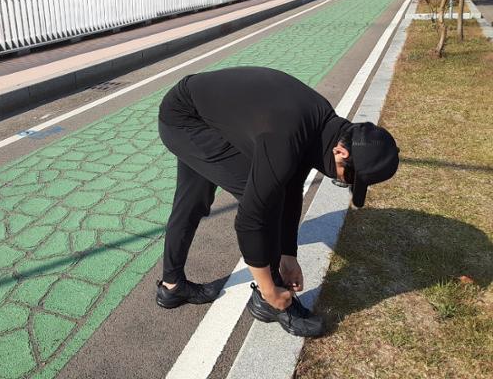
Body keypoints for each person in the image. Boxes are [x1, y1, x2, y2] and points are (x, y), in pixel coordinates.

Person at [155, 66, 399, 337]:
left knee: (195, 199)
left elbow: (292, 185)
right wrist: (270, 288)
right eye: (350, 177)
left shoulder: (322, 126)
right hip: (186, 119)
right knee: (262, 198)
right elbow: (250, 219)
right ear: (341, 152)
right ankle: (268, 302)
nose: (348, 183)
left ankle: (172, 286)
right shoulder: (286, 137)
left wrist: (288, 254)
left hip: (201, 108)